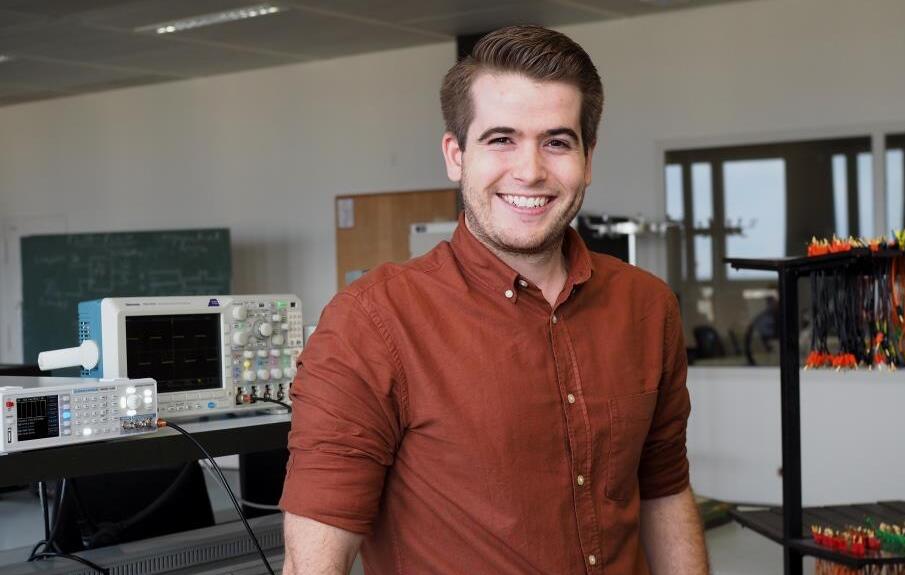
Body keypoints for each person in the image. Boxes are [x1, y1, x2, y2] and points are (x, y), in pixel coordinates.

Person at [280, 24, 708, 574]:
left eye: (556, 141)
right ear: (455, 155)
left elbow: (665, 492)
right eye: (500, 139)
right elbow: (314, 562)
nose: (529, 171)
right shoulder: (371, 322)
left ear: (588, 158)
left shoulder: (646, 307)